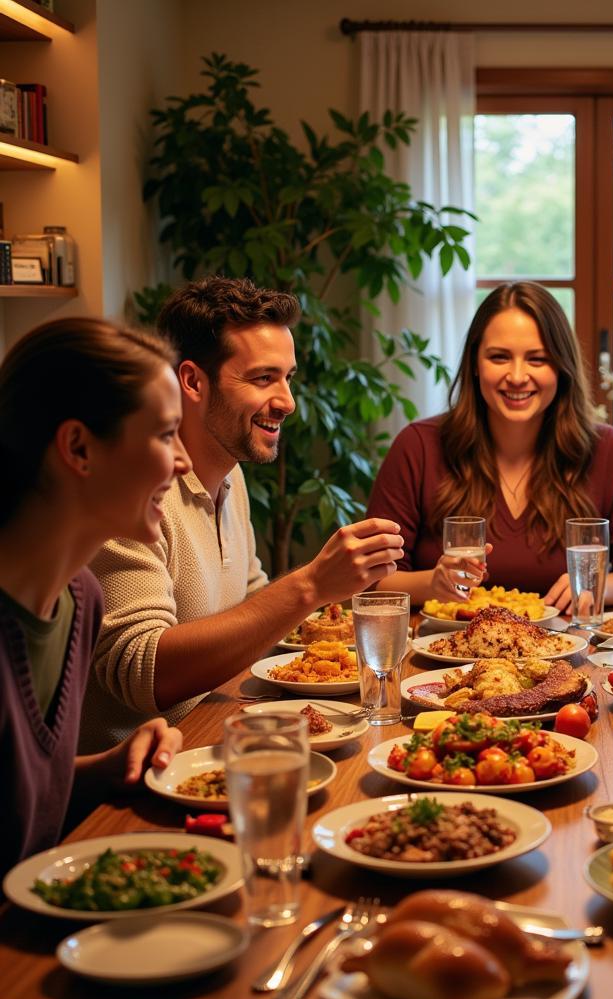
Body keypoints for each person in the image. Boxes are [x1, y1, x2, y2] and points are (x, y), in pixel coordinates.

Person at [79, 278, 404, 752]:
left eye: (288, 377)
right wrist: (311, 584)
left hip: (219, 737)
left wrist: (326, 616)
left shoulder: (232, 475)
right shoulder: (133, 489)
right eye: (262, 378)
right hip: (130, 789)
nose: (287, 401)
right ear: (192, 381)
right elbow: (140, 671)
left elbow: (250, 602)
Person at [0, 317, 186, 876]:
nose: (184, 461)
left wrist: (104, 769)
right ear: (79, 447)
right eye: (165, 434)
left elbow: (20, 804)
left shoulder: (81, 600)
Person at [366, 281, 613, 608]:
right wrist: (432, 583)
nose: (516, 376)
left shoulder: (607, 450)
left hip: (570, 652)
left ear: (561, 367)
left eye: (537, 359)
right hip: (444, 653)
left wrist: (595, 586)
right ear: (474, 364)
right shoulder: (418, 446)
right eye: (499, 357)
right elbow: (373, 579)